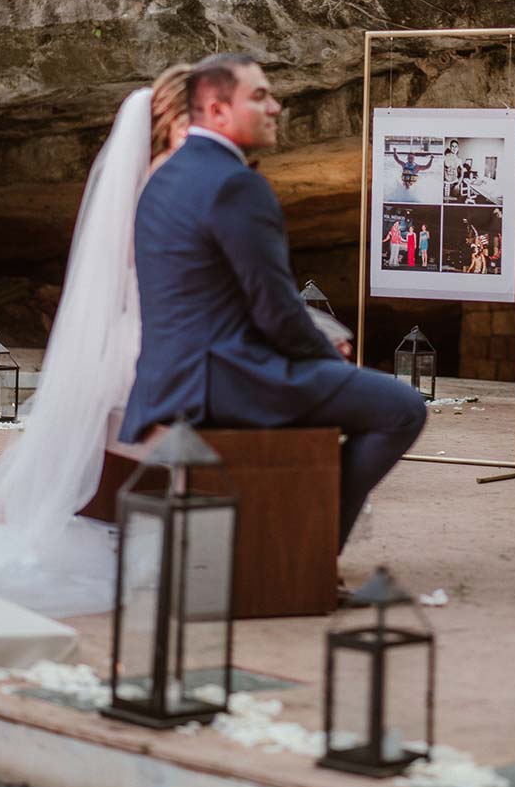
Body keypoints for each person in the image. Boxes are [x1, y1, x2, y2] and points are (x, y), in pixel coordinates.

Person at [120, 53, 426, 550]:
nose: (276, 107)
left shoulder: (165, 177)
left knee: (365, 398)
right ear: (218, 111)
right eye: (259, 97)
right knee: (403, 408)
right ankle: (311, 548)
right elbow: (275, 307)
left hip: (167, 378)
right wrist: (331, 361)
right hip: (223, 380)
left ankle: (300, 540)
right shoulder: (236, 183)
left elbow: (228, 297)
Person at [0, 65, 191, 616]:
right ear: (172, 121)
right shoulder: (169, 180)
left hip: (129, 333)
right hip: (152, 336)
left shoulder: (151, 174)